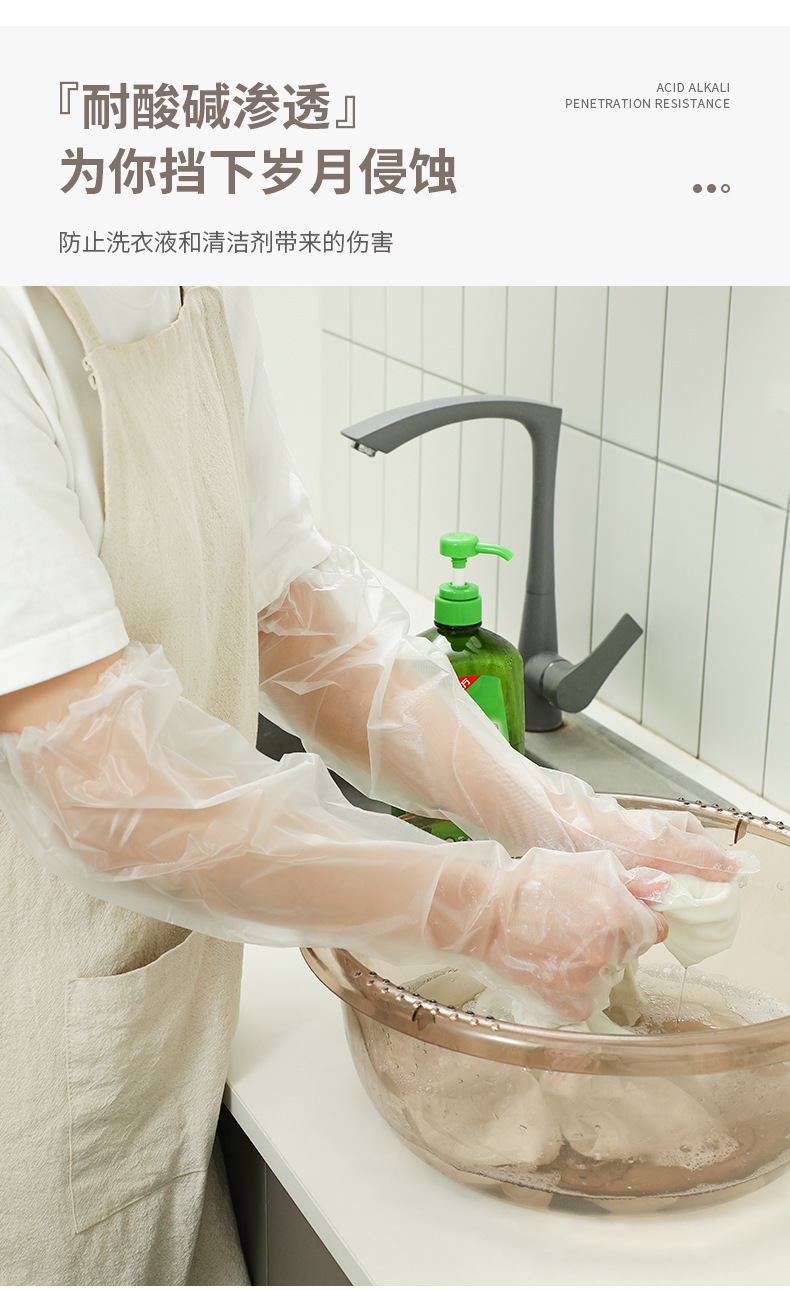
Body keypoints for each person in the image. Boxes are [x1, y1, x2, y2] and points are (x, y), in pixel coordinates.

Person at [0, 286, 737, 1286]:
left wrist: (548, 814)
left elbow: (289, 610)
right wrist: (488, 911)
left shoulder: (194, 272)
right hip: (29, 1043)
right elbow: (93, 777)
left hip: (155, 1013)